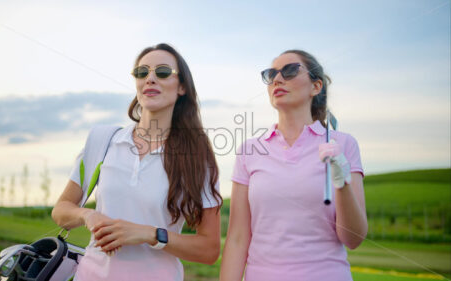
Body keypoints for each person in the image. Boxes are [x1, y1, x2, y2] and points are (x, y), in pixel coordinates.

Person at [52, 43, 222, 281]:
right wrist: (88, 216)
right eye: (142, 72)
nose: (150, 78)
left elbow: (209, 250)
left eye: (162, 72)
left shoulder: (197, 158)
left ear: (181, 86)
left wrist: (150, 234)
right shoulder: (103, 139)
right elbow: (61, 211)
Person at [220, 50, 367, 281]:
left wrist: (342, 181)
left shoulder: (343, 145)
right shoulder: (250, 150)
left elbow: (354, 238)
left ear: (315, 87)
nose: (277, 79)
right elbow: (238, 238)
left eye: (289, 71)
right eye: (271, 74)